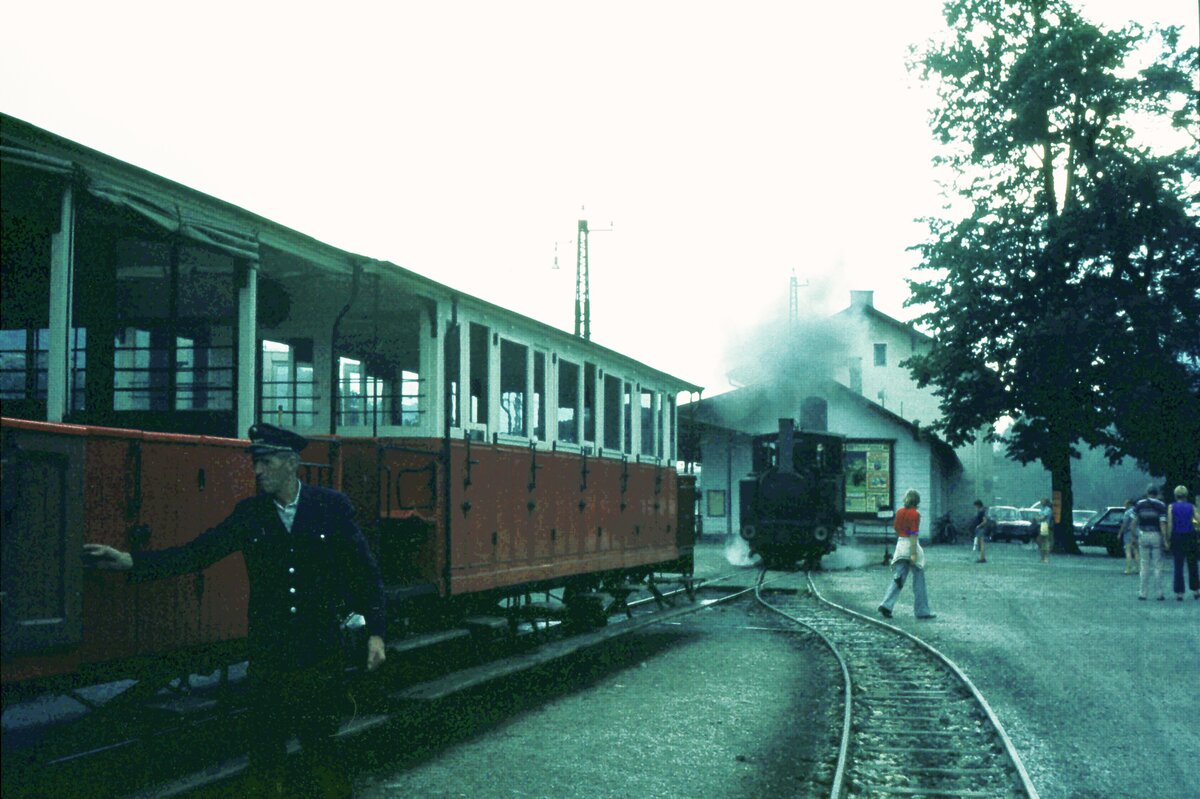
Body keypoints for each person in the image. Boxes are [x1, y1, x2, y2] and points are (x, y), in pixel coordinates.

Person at [83, 423, 386, 798]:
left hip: (319, 655)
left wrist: (376, 632)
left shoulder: (330, 507)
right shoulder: (250, 514)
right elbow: (198, 552)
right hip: (269, 656)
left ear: (291, 463)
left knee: (321, 747)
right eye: (255, 462)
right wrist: (130, 561)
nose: (257, 471)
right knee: (265, 752)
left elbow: (365, 574)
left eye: (266, 461)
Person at [878, 489, 935, 620]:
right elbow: (913, 534)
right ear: (917, 501)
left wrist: (903, 534)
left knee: (898, 578)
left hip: (900, 545)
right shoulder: (915, 514)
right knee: (919, 579)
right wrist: (913, 554)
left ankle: (886, 604)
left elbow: (896, 529)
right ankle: (922, 610)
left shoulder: (899, 512)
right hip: (911, 545)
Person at [1132, 484, 1168, 601]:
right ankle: (1159, 593)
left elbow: (1134, 521)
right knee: (1157, 565)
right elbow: (1162, 523)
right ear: (1157, 494)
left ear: (1147, 493)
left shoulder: (1139, 504)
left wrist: (1133, 536)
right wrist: (1165, 539)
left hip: (1143, 534)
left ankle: (1142, 593)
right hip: (1156, 535)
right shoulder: (1161, 505)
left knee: (1144, 564)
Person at [1165, 485, 1199, 601]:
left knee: (1178, 564)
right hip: (1190, 536)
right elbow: (1198, 519)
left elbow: (1170, 524)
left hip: (1177, 536)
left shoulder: (1171, 507)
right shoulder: (1191, 507)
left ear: (1175, 495)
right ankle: (1195, 590)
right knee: (1192, 564)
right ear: (1186, 495)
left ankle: (1179, 592)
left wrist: (1168, 538)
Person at [1118, 498, 1139, 575]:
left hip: (1128, 533)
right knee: (1136, 551)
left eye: (1126, 504)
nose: (1125, 505)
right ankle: (1138, 568)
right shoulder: (1138, 511)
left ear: (1129, 504)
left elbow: (1124, 524)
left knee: (1128, 551)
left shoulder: (1128, 512)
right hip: (1137, 532)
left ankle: (1128, 569)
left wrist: (1120, 533)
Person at [1037, 497, 1053, 563]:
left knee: (1045, 541)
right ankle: (1042, 557)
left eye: (1042, 500)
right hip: (1041, 525)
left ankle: (1046, 558)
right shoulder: (1042, 509)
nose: (1041, 502)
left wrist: (1038, 518)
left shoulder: (1048, 509)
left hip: (1045, 525)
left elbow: (1043, 517)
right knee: (1040, 541)